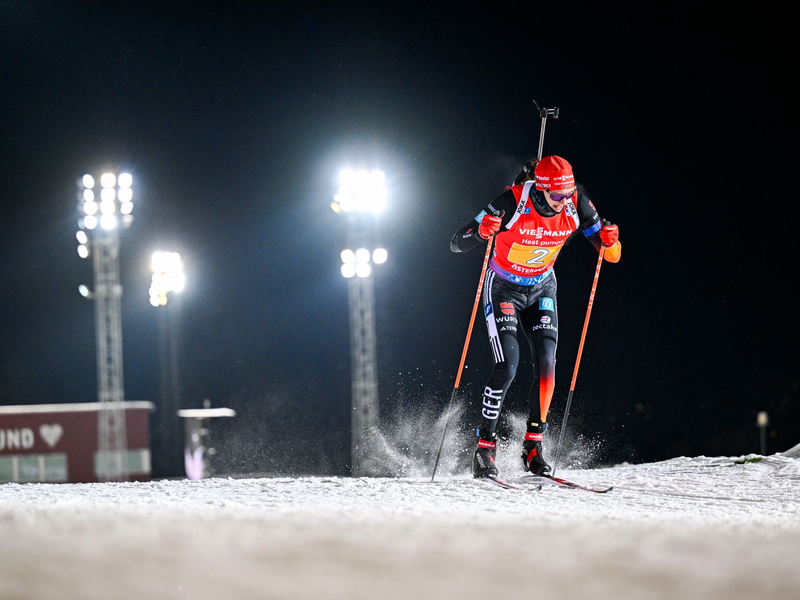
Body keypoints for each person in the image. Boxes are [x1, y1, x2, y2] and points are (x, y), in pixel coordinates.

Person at [450, 155, 621, 478]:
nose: (562, 202)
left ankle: (533, 447)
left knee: (547, 366)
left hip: (542, 289)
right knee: (507, 365)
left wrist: (611, 242)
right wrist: (483, 232)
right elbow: (457, 243)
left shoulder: (577, 205)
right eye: (556, 196)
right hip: (503, 289)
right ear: (541, 190)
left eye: (567, 195)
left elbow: (611, 256)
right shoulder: (511, 202)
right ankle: (485, 448)